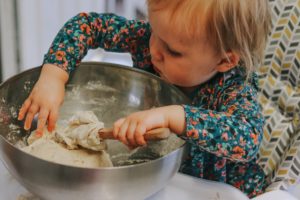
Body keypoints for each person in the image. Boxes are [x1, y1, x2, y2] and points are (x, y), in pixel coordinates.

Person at [18, 0, 271, 197]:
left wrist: (173, 116)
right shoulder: (153, 40)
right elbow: (87, 25)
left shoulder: (234, 90)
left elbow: (248, 137)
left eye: (173, 51)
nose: (154, 51)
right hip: (155, 179)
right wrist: (54, 74)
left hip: (211, 187)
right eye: (153, 31)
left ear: (224, 61)